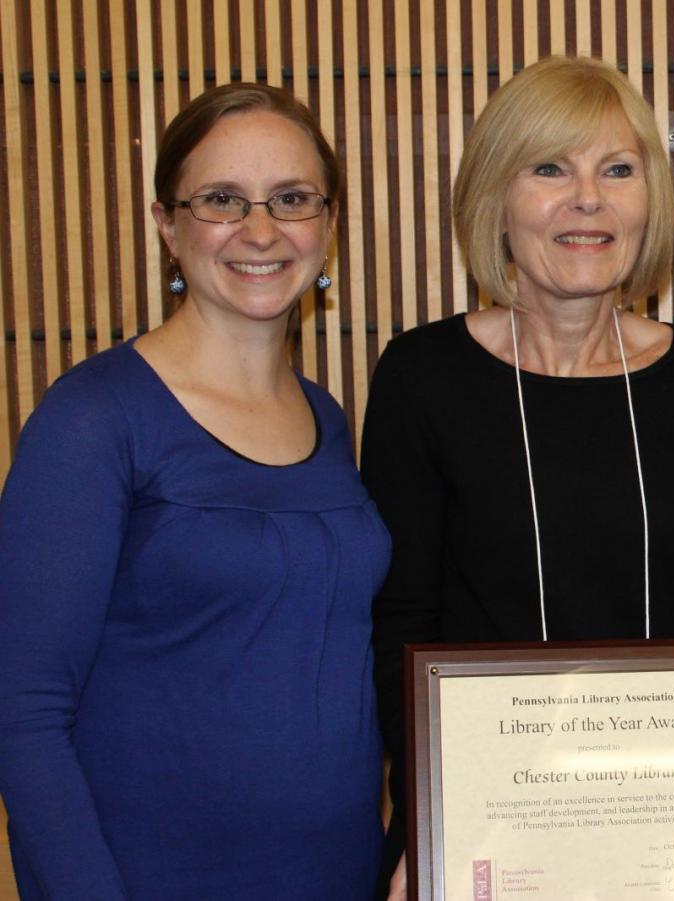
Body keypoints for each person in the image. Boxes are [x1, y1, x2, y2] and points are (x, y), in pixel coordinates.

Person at [361, 56, 674, 899]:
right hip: (486, 829)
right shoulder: (422, 378)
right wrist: (428, 820)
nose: (588, 199)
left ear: (651, 199)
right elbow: (402, 622)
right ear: (496, 196)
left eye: (617, 169)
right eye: (549, 168)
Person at [0, 83, 390, 898]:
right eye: (221, 200)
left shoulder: (326, 419)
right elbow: (24, 715)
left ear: (329, 224)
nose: (260, 229)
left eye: (291, 199)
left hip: (335, 875)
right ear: (167, 226)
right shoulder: (94, 419)